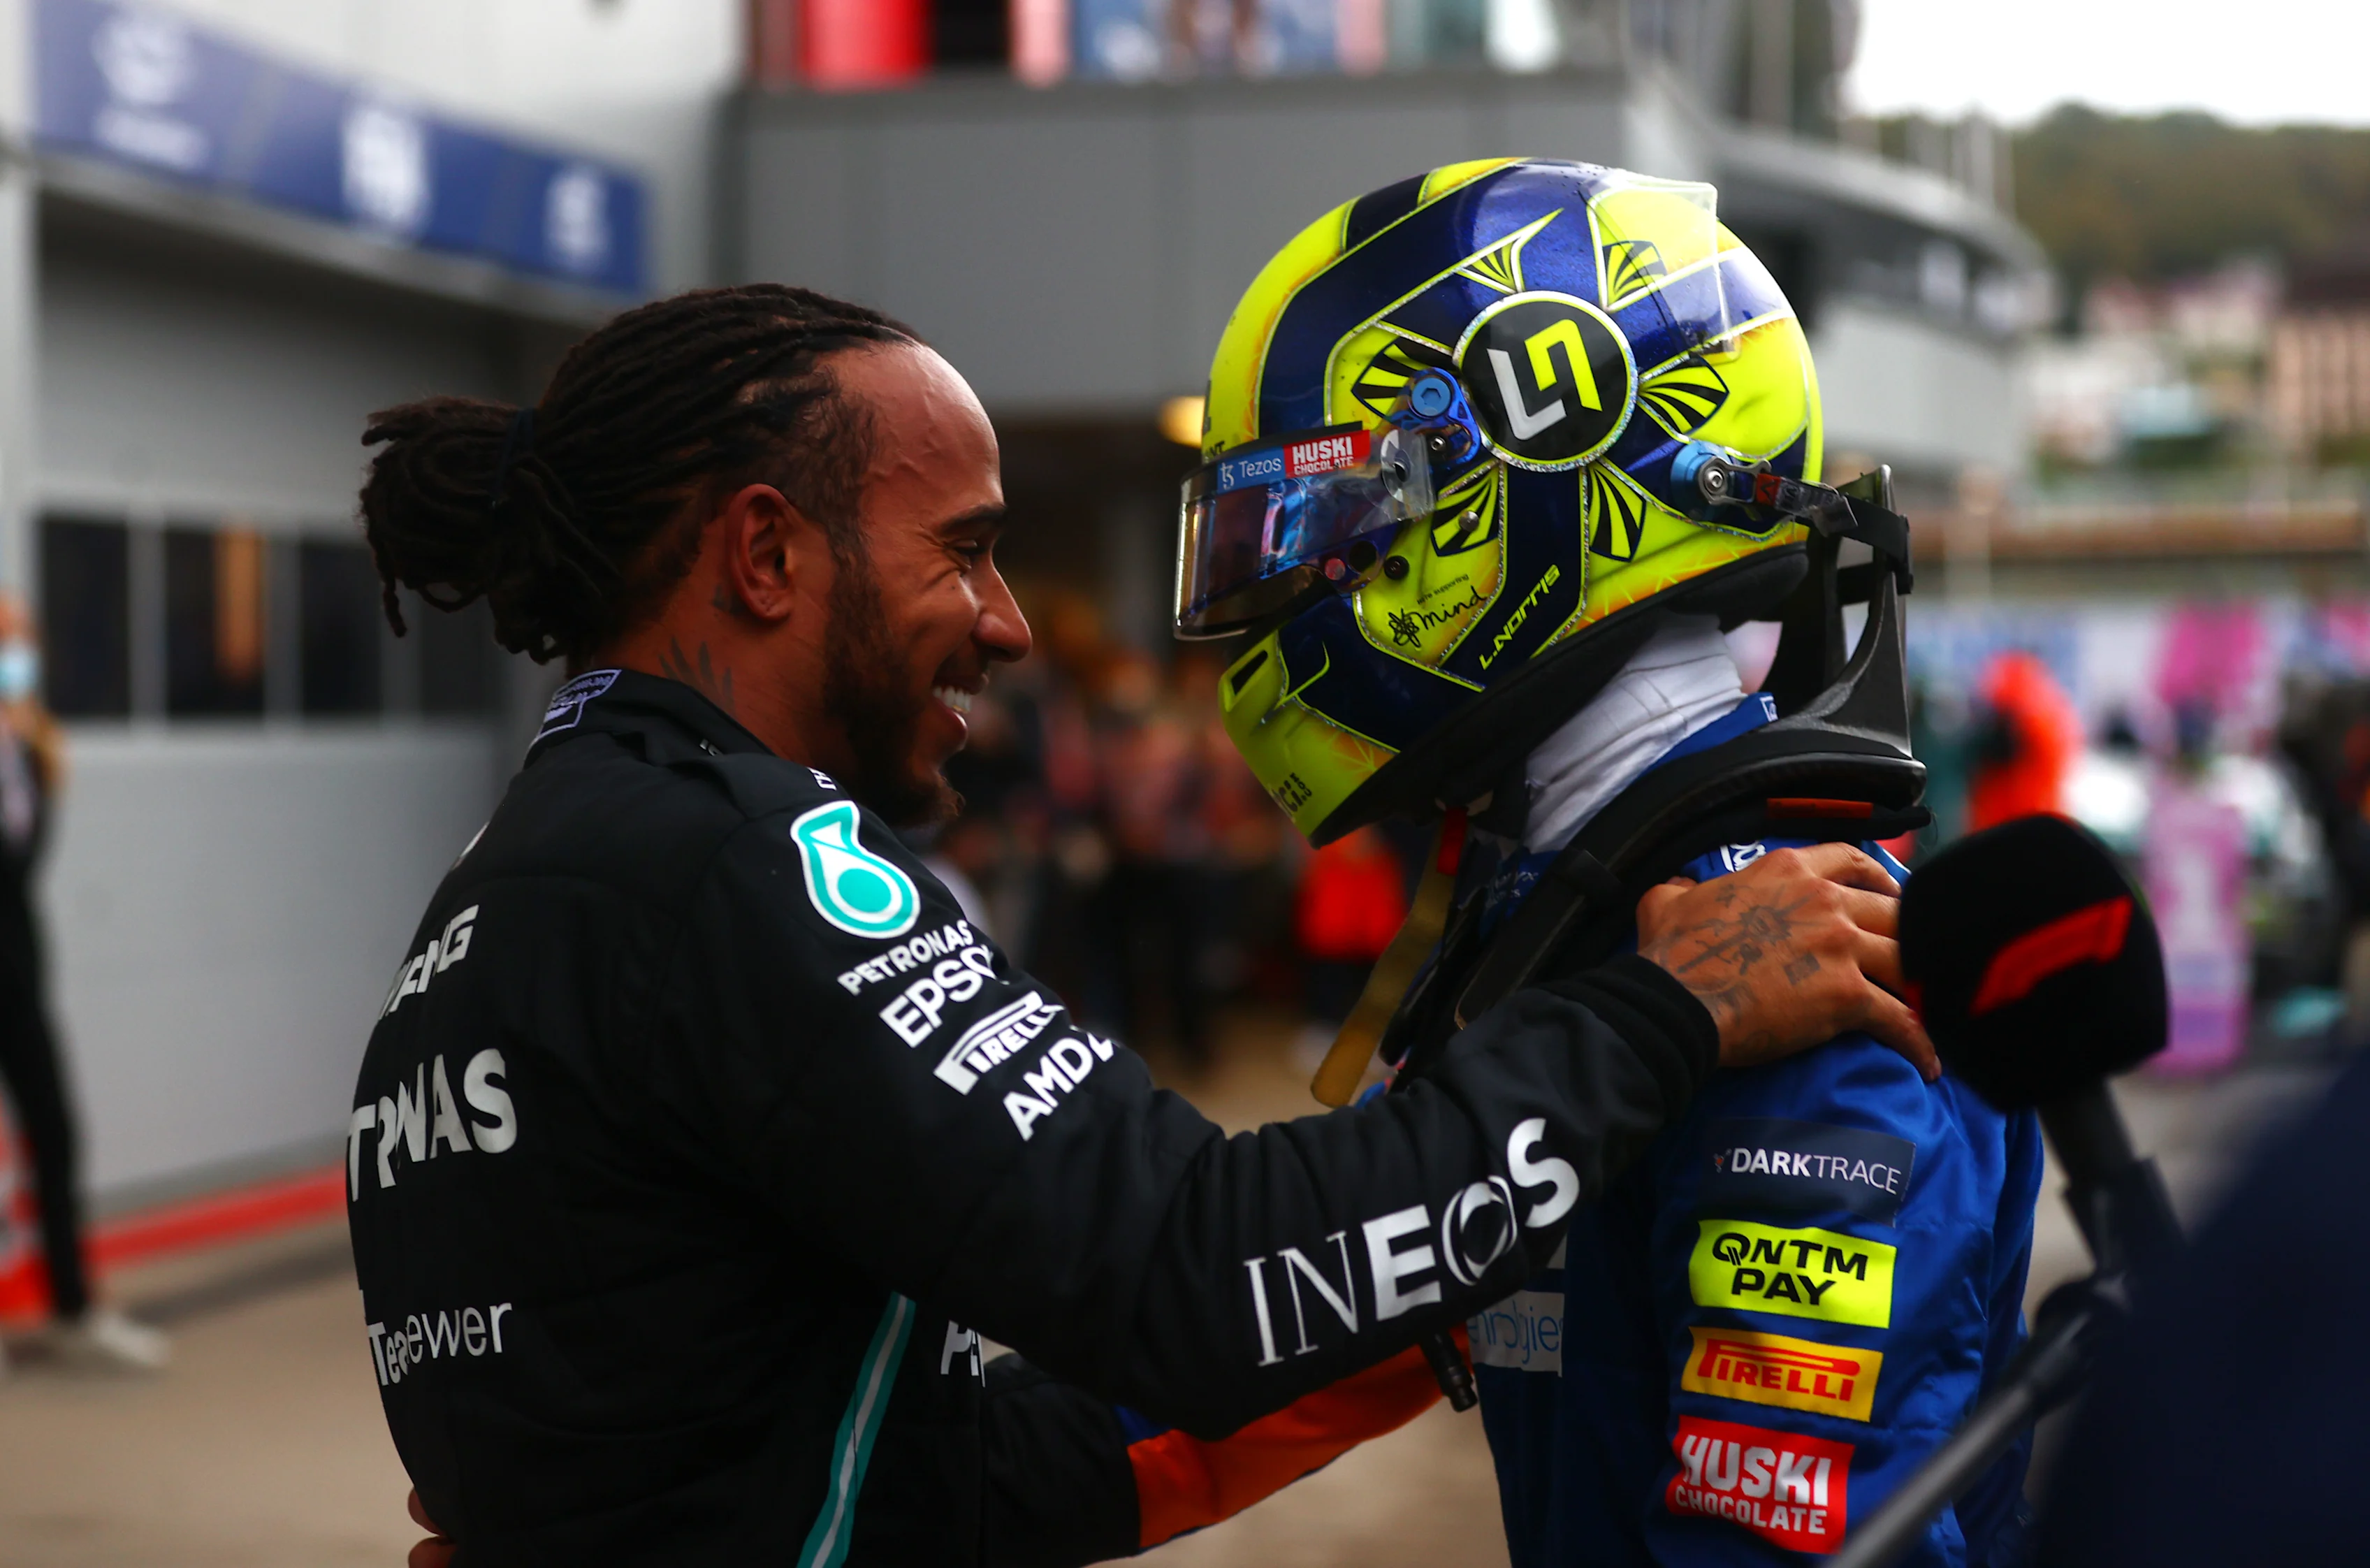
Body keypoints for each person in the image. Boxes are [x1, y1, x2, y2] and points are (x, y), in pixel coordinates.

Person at [352, 283, 1933, 1565]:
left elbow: (937, 1485)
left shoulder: (517, 882)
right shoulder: (728, 861)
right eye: (963, 549)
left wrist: (1432, 1270)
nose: (1009, 622)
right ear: (767, 552)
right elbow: (1192, 1269)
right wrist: (1659, 1010)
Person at [1176, 159, 2041, 1563]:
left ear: (1527, 464)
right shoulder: (1576, 911)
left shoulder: (1805, 965)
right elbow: (1284, 1327)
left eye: (1322, 529)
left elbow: (1787, 1540)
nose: (1284, 592)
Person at [0, 593, 168, 1372]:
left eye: (22, 639)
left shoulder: (31, 746)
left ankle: (73, 1308)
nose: (18, 653)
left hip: (18, 972)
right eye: (6, 639)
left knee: (54, 1131)